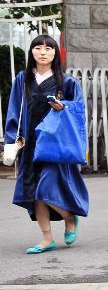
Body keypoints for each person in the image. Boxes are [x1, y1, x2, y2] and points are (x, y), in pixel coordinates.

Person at [4, 35, 88, 253]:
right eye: (38, 48)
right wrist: (13, 139)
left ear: (55, 53)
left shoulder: (67, 82)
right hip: (30, 143)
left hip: (55, 144)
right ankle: (47, 238)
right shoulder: (23, 79)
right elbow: (14, 110)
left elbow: (78, 110)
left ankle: (69, 217)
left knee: (46, 186)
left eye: (48, 48)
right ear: (32, 52)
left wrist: (64, 107)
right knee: (34, 193)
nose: (43, 52)